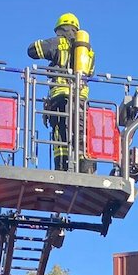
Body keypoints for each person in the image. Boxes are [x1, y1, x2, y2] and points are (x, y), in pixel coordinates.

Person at [27, 12, 95, 173]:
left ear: (60, 28)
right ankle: (85, 167)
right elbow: (90, 72)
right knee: (80, 132)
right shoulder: (88, 51)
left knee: (60, 134)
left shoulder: (58, 43)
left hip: (61, 97)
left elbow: (32, 50)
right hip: (81, 99)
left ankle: (62, 167)